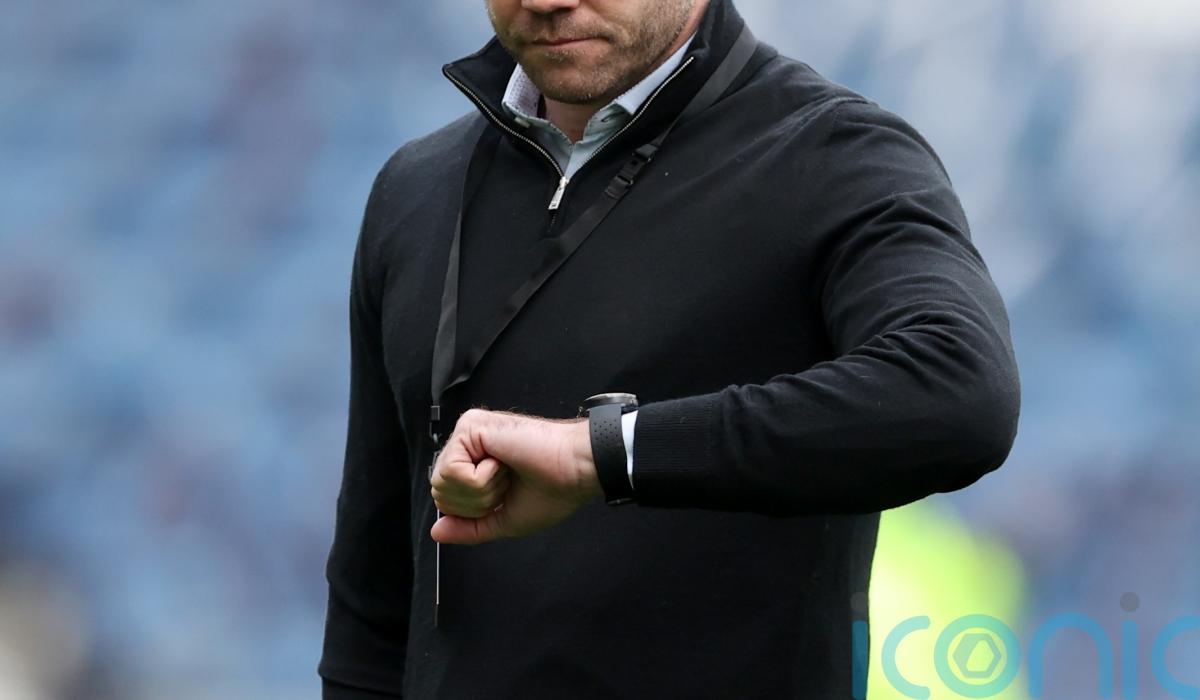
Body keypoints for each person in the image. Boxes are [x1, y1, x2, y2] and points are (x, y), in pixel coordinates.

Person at [319, 0, 1021, 697]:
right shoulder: (415, 188)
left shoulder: (834, 152)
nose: (545, 1)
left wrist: (603, 454)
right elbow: (368, 617)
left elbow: (959, 390)